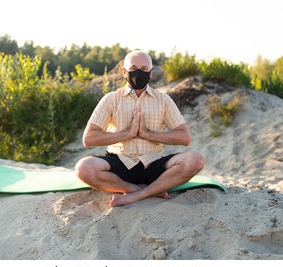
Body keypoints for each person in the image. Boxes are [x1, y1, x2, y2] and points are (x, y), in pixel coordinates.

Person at [75, 50, 204, 207]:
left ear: (150, 74)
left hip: (153, 163)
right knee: (83, 168)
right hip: (120, 163)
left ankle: (136, 195)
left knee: (195, 160)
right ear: (124, 72)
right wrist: (127, 133)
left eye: (144, 69)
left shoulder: (163, 100)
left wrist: (147, 134)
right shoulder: (111, 99)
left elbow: (184, 138)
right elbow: (89, 139)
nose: (138, 72)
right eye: (133, 67)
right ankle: (140, 190)